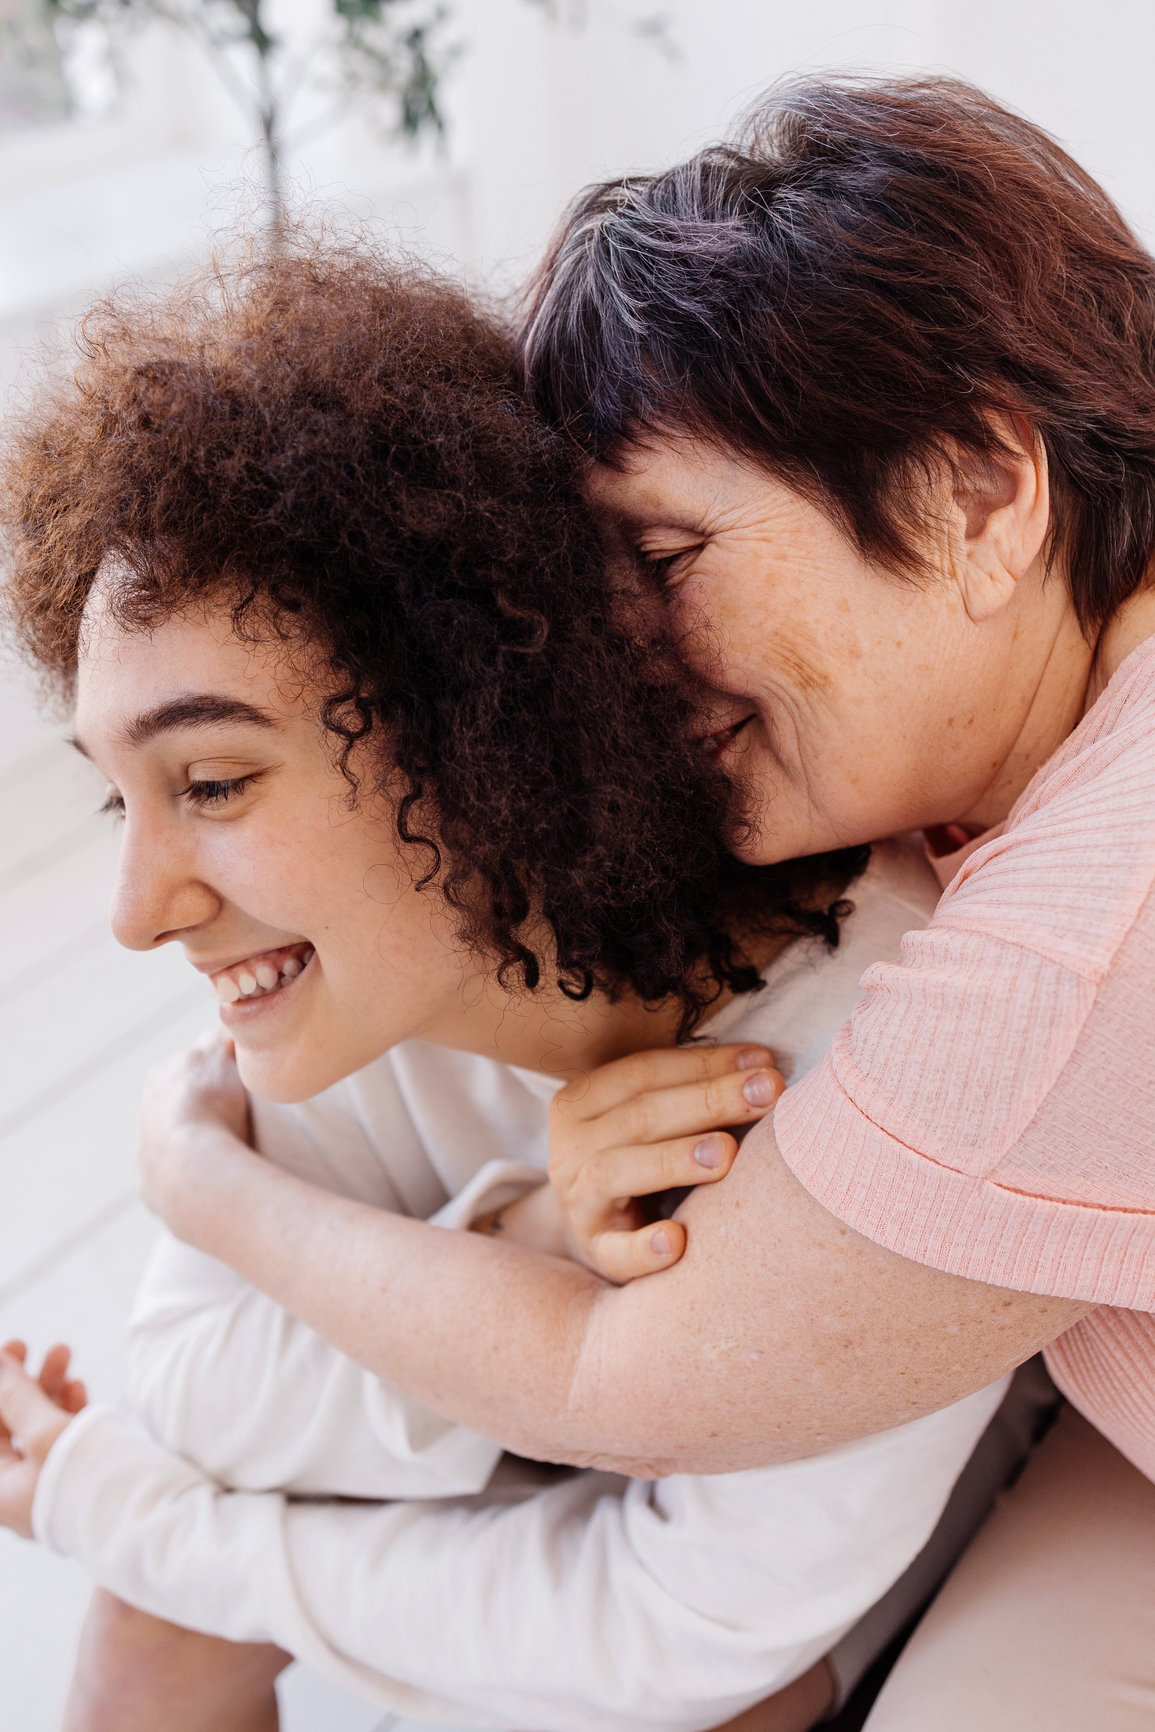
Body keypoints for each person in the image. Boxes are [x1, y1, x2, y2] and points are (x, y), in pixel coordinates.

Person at [15, 75, 1154, 1729]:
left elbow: (626, 1405)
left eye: (671, 559)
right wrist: (522, 1230)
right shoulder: (972, 780)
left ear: (982, 491)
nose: (612, 651)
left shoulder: (1051, 959)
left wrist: (197, 1187)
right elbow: (209, 1381)